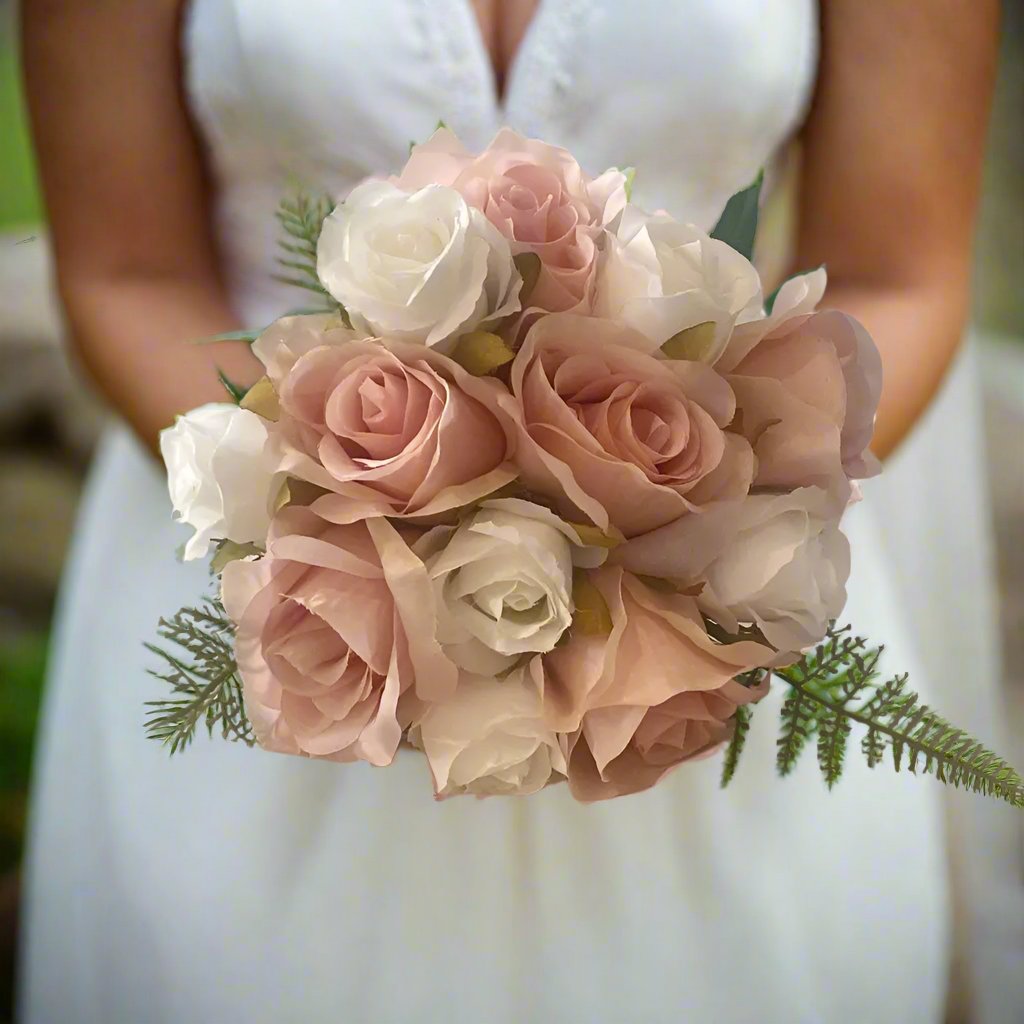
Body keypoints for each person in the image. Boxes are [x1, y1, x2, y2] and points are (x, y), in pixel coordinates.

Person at [19, 2, 1003, 1021]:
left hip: (708, 643)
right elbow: (126, 272)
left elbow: (900, 277)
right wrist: (359, 527)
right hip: (281, 630)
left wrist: (686, 543)